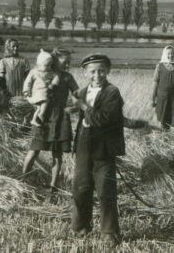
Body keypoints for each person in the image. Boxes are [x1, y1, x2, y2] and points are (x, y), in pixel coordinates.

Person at [70, 53, 125, 245]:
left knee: (105, 191)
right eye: (92, 71)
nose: (97, 75)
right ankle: (80, 227)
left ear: (108, 71)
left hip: (104, 148)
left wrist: (82, 106)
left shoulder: (112, 92)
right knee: (80, 187)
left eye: (101, 70)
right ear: (85, 73)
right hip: (84, 146)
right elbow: (66, 107)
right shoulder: (81, 92)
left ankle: (109, 232)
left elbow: (103, 119)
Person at [21, 48, 79, 193]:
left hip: (60, 117)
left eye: (69, 62)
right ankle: (22, 179)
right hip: (43, 117)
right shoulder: (42, 72)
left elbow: (77, 93)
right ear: (55, 60)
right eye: (65, 62)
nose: (67, 65)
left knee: (57, 154)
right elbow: (29, 88)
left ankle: (53, 186)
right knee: (34, 149)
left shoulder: (68, 77)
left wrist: (75, 106)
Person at [151, 45, 174, 130]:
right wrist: (153, 99)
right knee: (162, 122)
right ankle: (164, 139)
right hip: (163, 98)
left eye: (172, 53)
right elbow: (155, 83)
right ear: (164, 54)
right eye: (168, 54)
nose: (170, 56)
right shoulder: (159, 66)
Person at [23, 50, 60, 127]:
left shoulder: (50, 72)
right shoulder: (34, 72)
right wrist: (26, 90)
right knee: (46, 101)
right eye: (46, 66)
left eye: (50, 65)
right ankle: (41, 114)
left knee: (39, 107)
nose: (49, 68)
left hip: (44, 92)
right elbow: (27, 82)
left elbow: (56, 77)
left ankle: (34, 119)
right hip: (37, 92)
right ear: (39, 64)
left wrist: (53, 84)